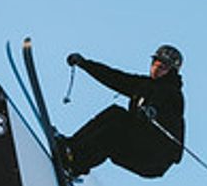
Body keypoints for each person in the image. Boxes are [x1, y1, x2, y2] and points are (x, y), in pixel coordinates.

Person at [54, 45, 186, 178]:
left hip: (154, 156)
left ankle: (75, 164)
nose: (156, 69)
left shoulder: (172, 94)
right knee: (115, 114)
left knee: (113, 129)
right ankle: (71, 147)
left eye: (162, 67)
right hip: (140, 142)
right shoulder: (146, 85)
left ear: (172, 72)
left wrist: (154, 111)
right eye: (155, 64)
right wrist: (84, 64)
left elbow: (169, 115)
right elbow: (115, 78)